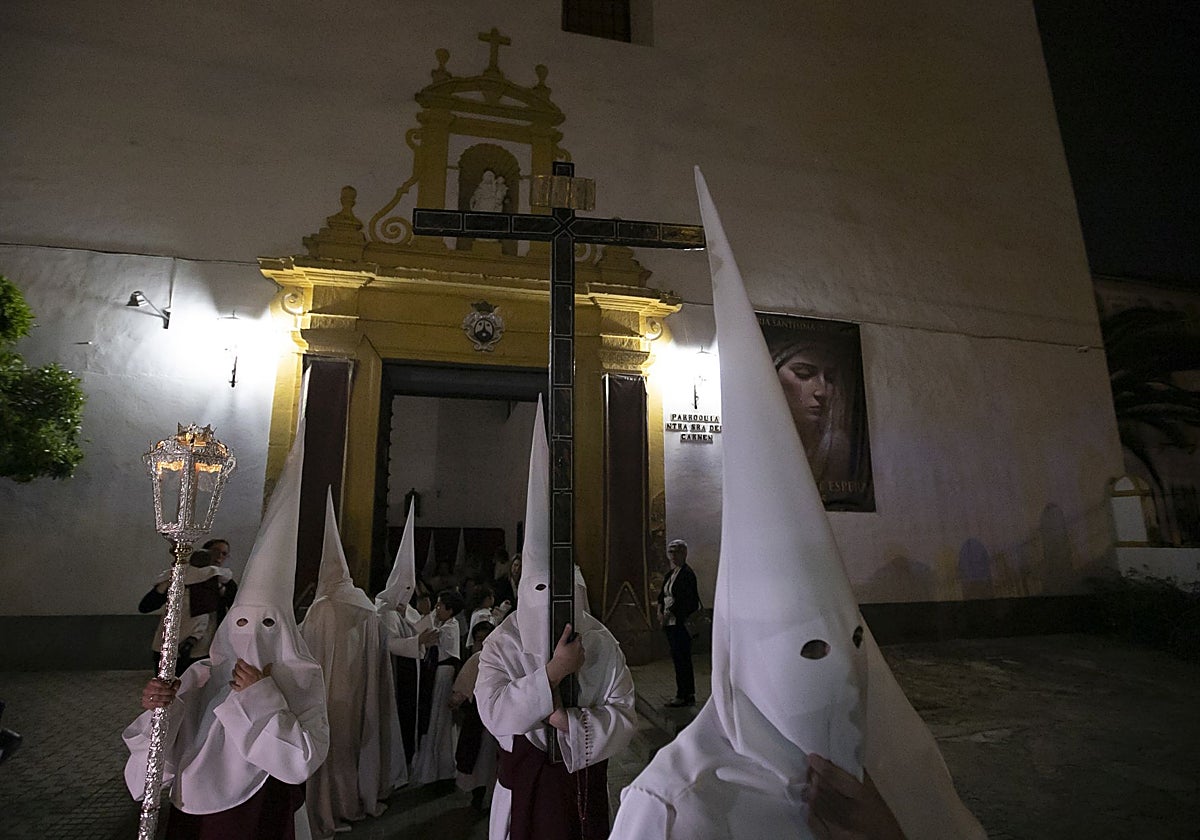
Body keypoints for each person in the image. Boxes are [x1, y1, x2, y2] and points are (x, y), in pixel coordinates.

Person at [609, 169, 984, 840]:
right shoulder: (676, 811)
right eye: (811, 649)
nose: (844, 679)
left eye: (855, 642)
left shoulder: (897, 770)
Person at [125, 419, 329, 839]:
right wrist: (161, 707)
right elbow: (150, 772)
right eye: (240, 622)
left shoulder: (302, 682)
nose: (251, 634)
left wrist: (259, 696)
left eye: (268, 624)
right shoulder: (199, 676)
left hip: (258, 816)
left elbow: (300, 761)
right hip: (193, 814)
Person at [475, 400, 636, 840]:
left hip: (582, 790)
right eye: (540, 594)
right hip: (522, 789)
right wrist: (551, 675)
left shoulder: (601, 643)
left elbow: (624, 714)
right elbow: (493, 713)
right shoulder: (502, 644)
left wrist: (572, 723)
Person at [300, 489, 405, 839]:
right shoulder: (365, 607)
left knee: (328, 756)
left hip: (326, 698)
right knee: (350, 751)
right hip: (358, 697)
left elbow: (305, 653)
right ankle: (353, 801)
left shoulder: (323, 608)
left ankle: (327, 808)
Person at [377, 506, 440, 768]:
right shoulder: (383, 610)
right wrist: (417, 643)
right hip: (394, 673)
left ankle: (409, 760)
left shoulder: (405, 609)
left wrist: (422, 621)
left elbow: (421, 628)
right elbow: (388, 644)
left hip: (411, 672)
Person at [138, 545, 235, 676]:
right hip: (169, 644)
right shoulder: (175, 577)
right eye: (215, 552)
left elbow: (234, 606)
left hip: (204, 648)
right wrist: (163, 587)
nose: (219, 557)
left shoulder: (223, 581)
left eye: (224, 554)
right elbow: (146, 606)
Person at [410, 588, 464, 785]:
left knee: (439, 720)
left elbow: (426, 632)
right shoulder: (446, 624)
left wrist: (411, 614)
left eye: (440, 606)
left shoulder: (450, 628)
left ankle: (440, 769)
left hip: (444, 674)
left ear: (450, 610)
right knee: (435, 719)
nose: (437, 609)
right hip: (438, 673)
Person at [451, 620, 499, 811]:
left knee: (484, 760)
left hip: (488, 719)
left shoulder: (482, 657)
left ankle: (481, 797)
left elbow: (459, 693)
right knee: (483, 761)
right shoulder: (491, 657)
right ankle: (482, 796)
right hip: (483, 719)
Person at [656, 538, 699, 707]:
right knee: (677, 657)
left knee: (683, 658)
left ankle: (685, 694)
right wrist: (660, 610)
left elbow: (688, 600)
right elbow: (662, 594)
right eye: (671, 552)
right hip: (669, 623)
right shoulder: (670, 574)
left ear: (684, 554)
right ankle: (684, 692)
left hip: (679, 623)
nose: (673, 555)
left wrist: (670, 613)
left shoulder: (687, 574)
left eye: (677, 552)